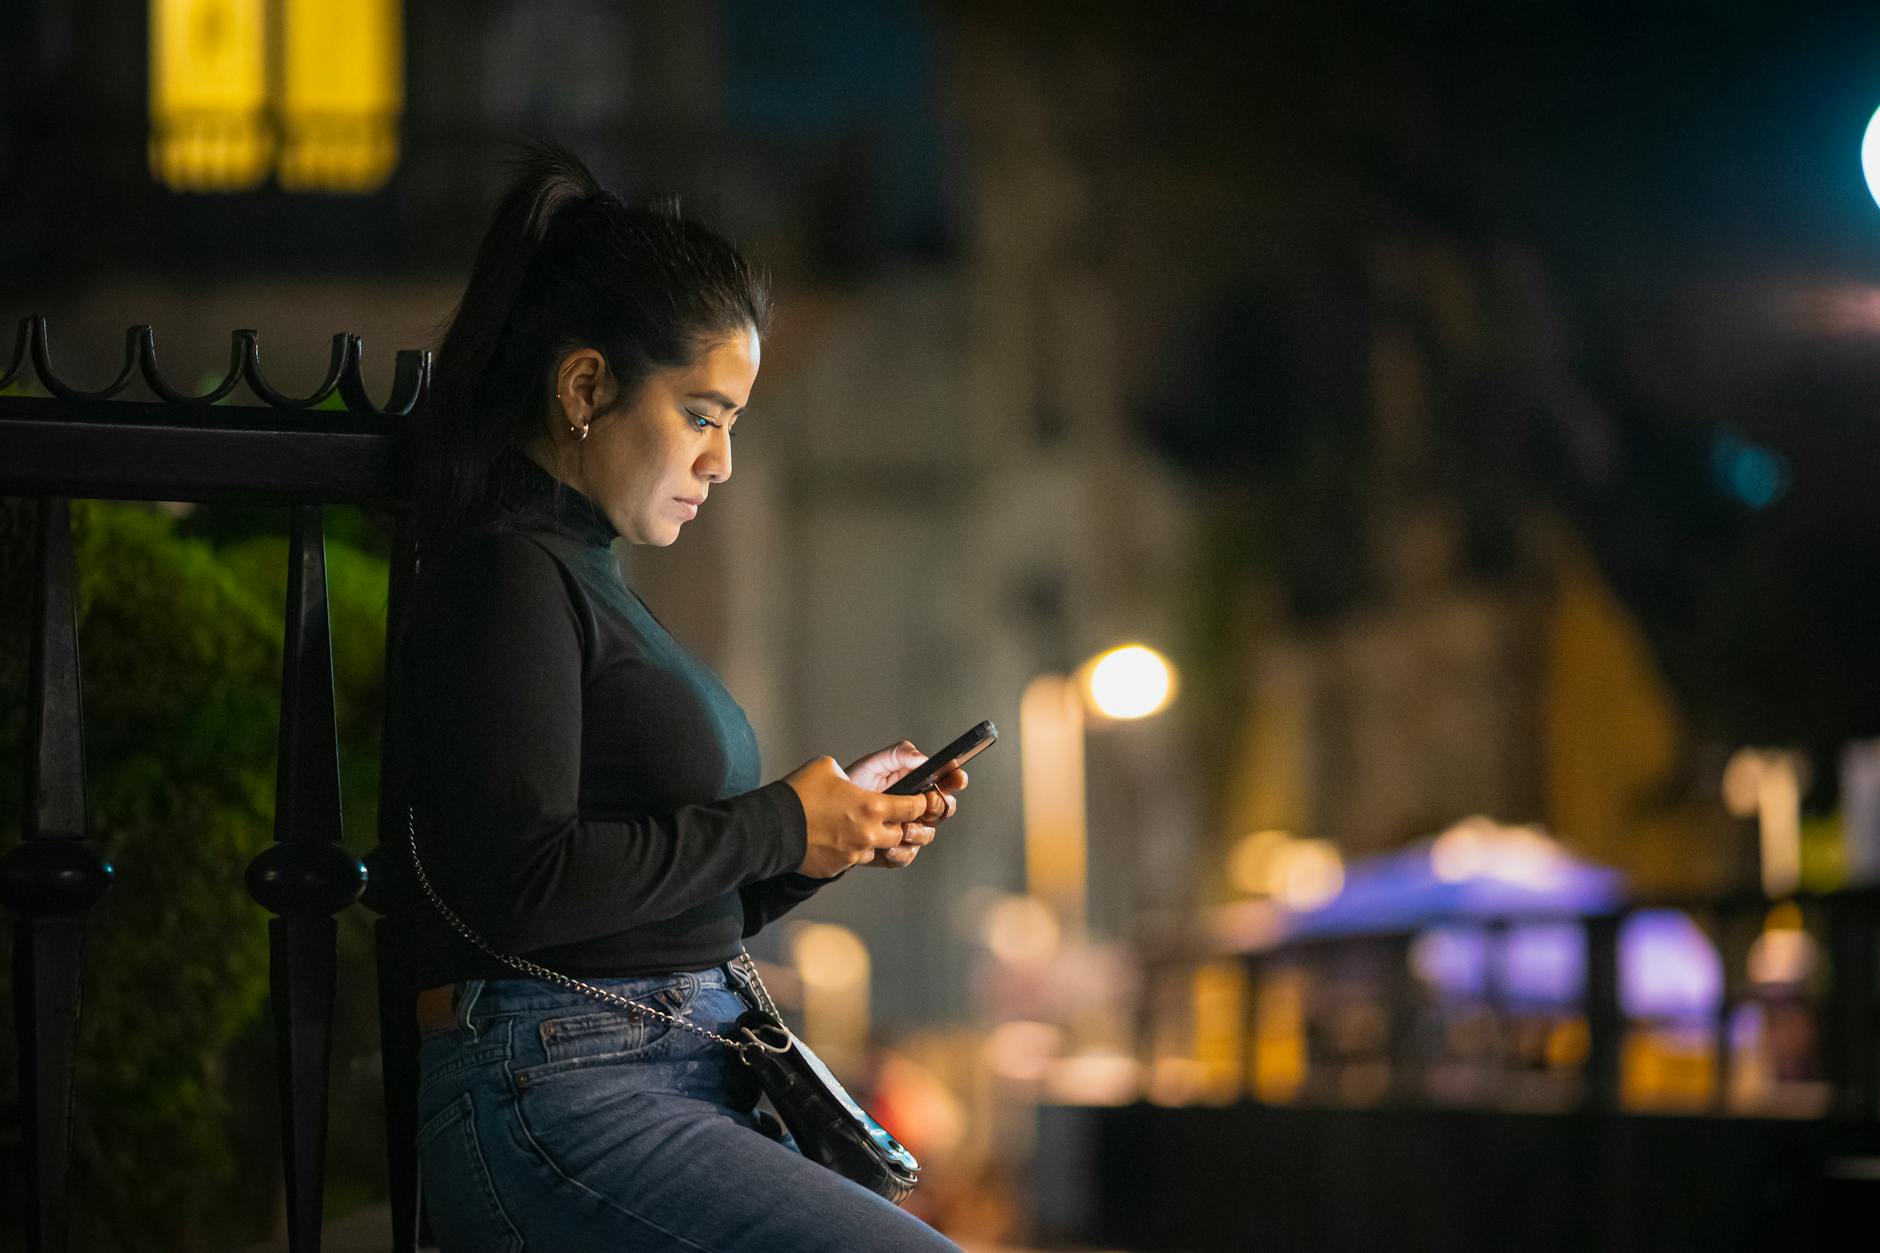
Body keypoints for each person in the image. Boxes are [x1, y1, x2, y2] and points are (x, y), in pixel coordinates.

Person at [390, 139, 968, 1252]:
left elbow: (636, 905)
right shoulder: (506, 574)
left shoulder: (578, 572)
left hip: (651, 1058)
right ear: (584, 385)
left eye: (733, 425)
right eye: (702, 414)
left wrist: (815, 846)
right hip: (556, 1091)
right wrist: (779, 820)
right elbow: (524, 885)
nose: (720, 462)